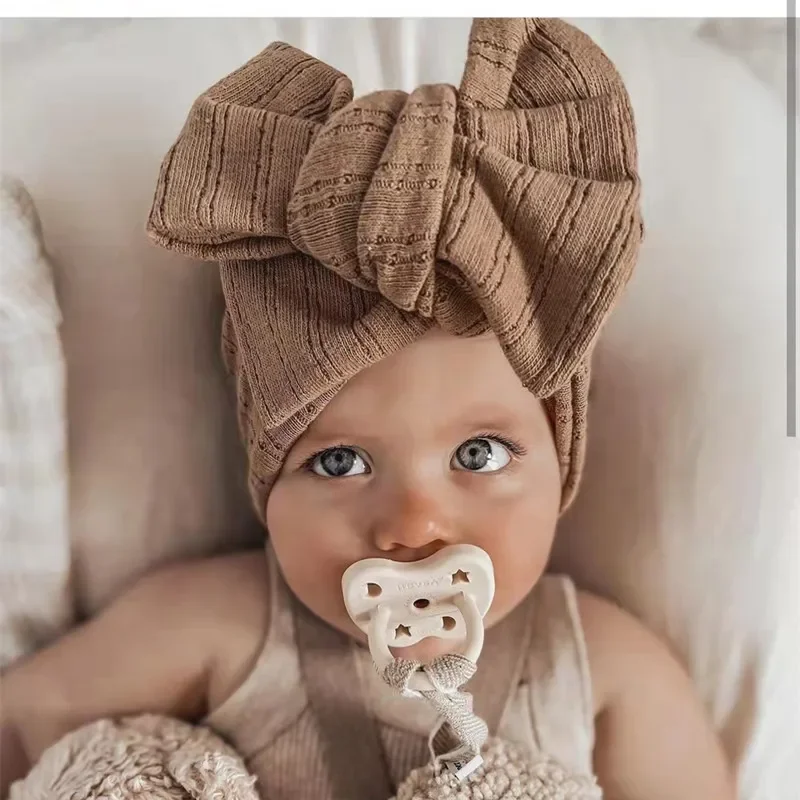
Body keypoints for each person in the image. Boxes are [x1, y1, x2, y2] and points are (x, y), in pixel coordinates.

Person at [0, 18, 736, 800]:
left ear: (563, 458)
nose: (413, 524)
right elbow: (23, 722)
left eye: (480, 454)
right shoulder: (227, 624)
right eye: (340, 461)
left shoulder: (604, 671)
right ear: (267, 482)